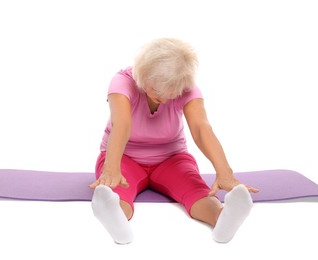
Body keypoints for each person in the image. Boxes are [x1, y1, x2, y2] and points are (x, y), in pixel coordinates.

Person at [89, 38, 259, 244]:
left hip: (171, 158)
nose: (165, 97)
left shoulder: (185, 87)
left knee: (196, 189)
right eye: (157, 90)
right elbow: (122, 125)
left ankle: (222, 219)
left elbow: (201, 128)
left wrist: (225, 173)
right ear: (143, 76)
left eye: (171, 92)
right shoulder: (122, 82)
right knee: (117, 191)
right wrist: (111, 168)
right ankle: (115, 220)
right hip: (124, 156)